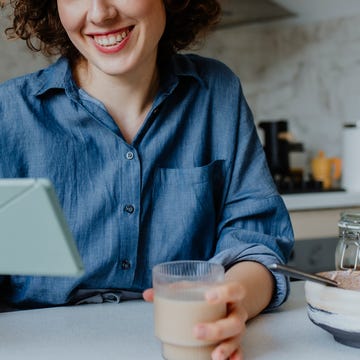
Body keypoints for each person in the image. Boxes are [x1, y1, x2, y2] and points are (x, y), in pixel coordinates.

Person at [0, 0, 294, 359]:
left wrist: (229, 302)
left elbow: (257, 242)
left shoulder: (217, 92)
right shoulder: (9, 112)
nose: (100, 13)